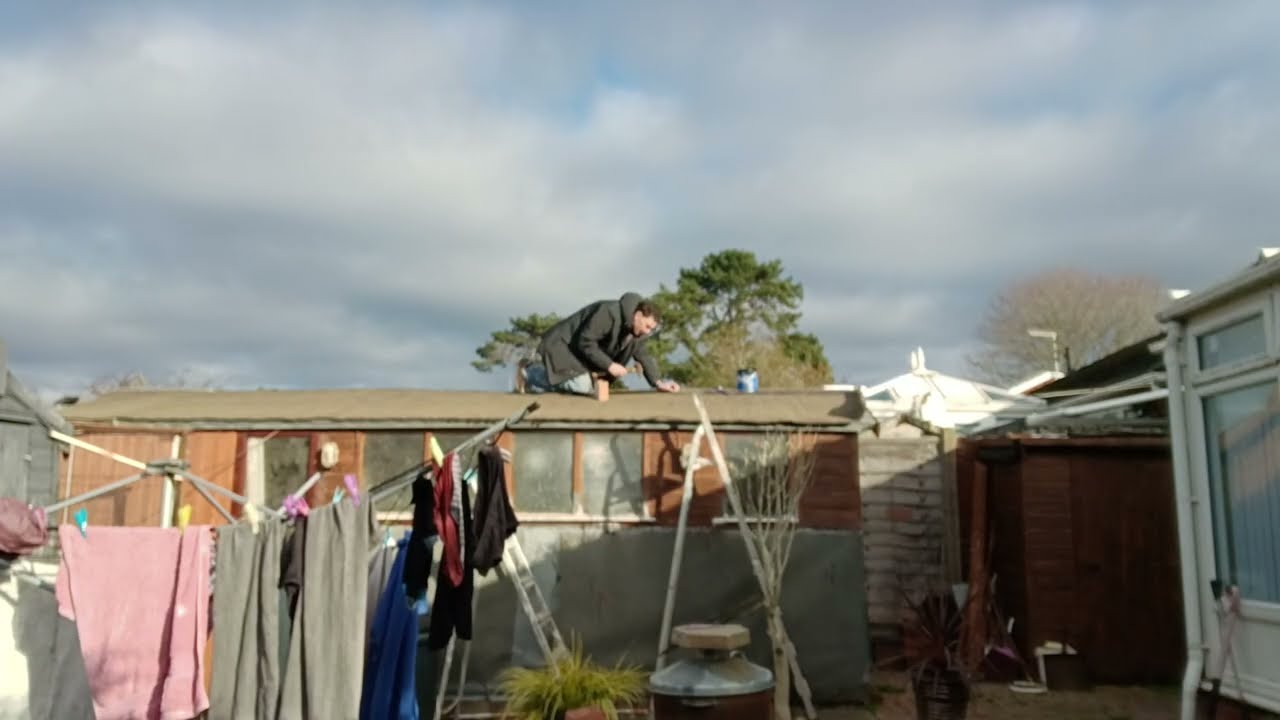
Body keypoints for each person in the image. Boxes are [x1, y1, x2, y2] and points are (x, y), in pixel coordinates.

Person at [518, 292, 680, 395]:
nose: (647, 332)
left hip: (582, 355)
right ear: (637, 315)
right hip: (564, 346)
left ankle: (558, 383)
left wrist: (659, 383)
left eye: (651, 329)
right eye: (647, 326)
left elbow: (643, 355)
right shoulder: (608, 313)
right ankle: (529, 372)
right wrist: (610, 365)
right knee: (581, 387)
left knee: (585, 388)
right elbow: (585, 342)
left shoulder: (636, 332)